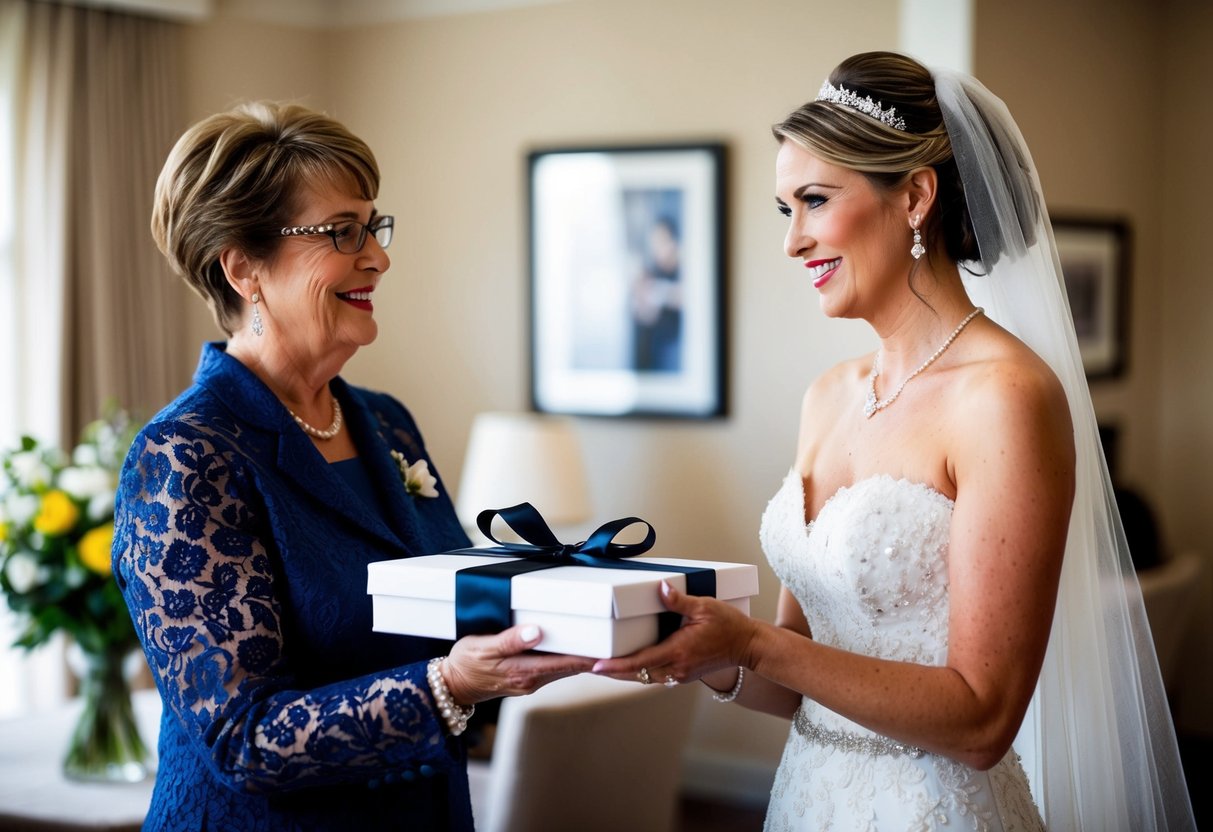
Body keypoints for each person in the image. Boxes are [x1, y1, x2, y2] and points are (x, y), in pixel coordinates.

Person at [593, 52, 1195, 830]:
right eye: (786, 209)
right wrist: (707, 651)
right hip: (809, 801)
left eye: (814, 200)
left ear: (913, 196)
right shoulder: (827, 397)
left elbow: (982, 721)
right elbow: (799, 672)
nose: (793, 242)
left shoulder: (1005, 398)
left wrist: (755, 644)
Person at [112, 102, 592, 831]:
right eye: (342, 232)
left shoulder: (386, 421)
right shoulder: (186, 455)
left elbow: (453, 609)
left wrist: (592, 621)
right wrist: (447, 686)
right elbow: (243, 740)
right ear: (243, 267)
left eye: (374, 225)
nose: (378, 256)